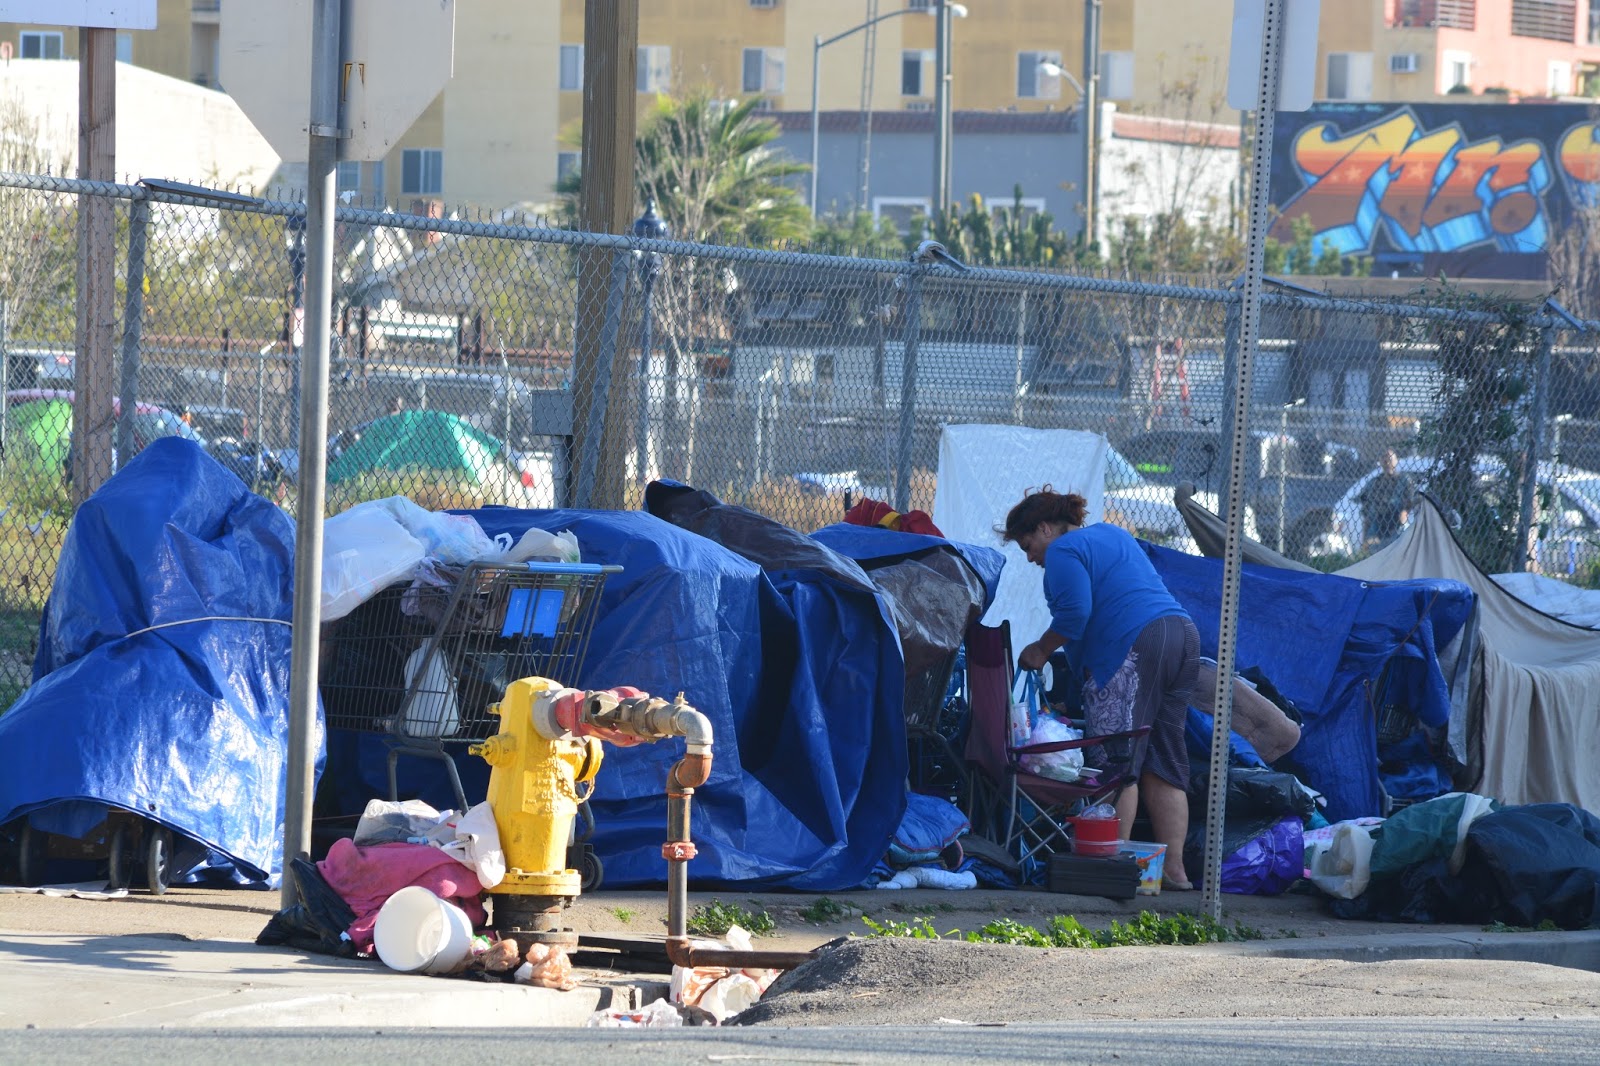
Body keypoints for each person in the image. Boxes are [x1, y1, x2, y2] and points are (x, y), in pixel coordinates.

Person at [1003, 486, 1201, 891]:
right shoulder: (1113, 534)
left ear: (1045, 528)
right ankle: (1175, 872)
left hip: (1133, 647)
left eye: (1028, 545)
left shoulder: (1062, 551)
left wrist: (1041, 649)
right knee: (1163, 757)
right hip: (1181, 635)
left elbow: (1075, 614)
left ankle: (1110, 871)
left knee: (1115, 763)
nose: (1030, 557)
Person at [1357, 449, 1415, 548]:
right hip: (1377, 522)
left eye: (1390, 459)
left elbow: (1410, 499)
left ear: (1396, 461)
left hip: (1397, 521)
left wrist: (1404, 512)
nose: (1387, 462)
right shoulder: (1374, 482)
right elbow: (1365, 502)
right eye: (1384, 458)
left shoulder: (1403, 480)